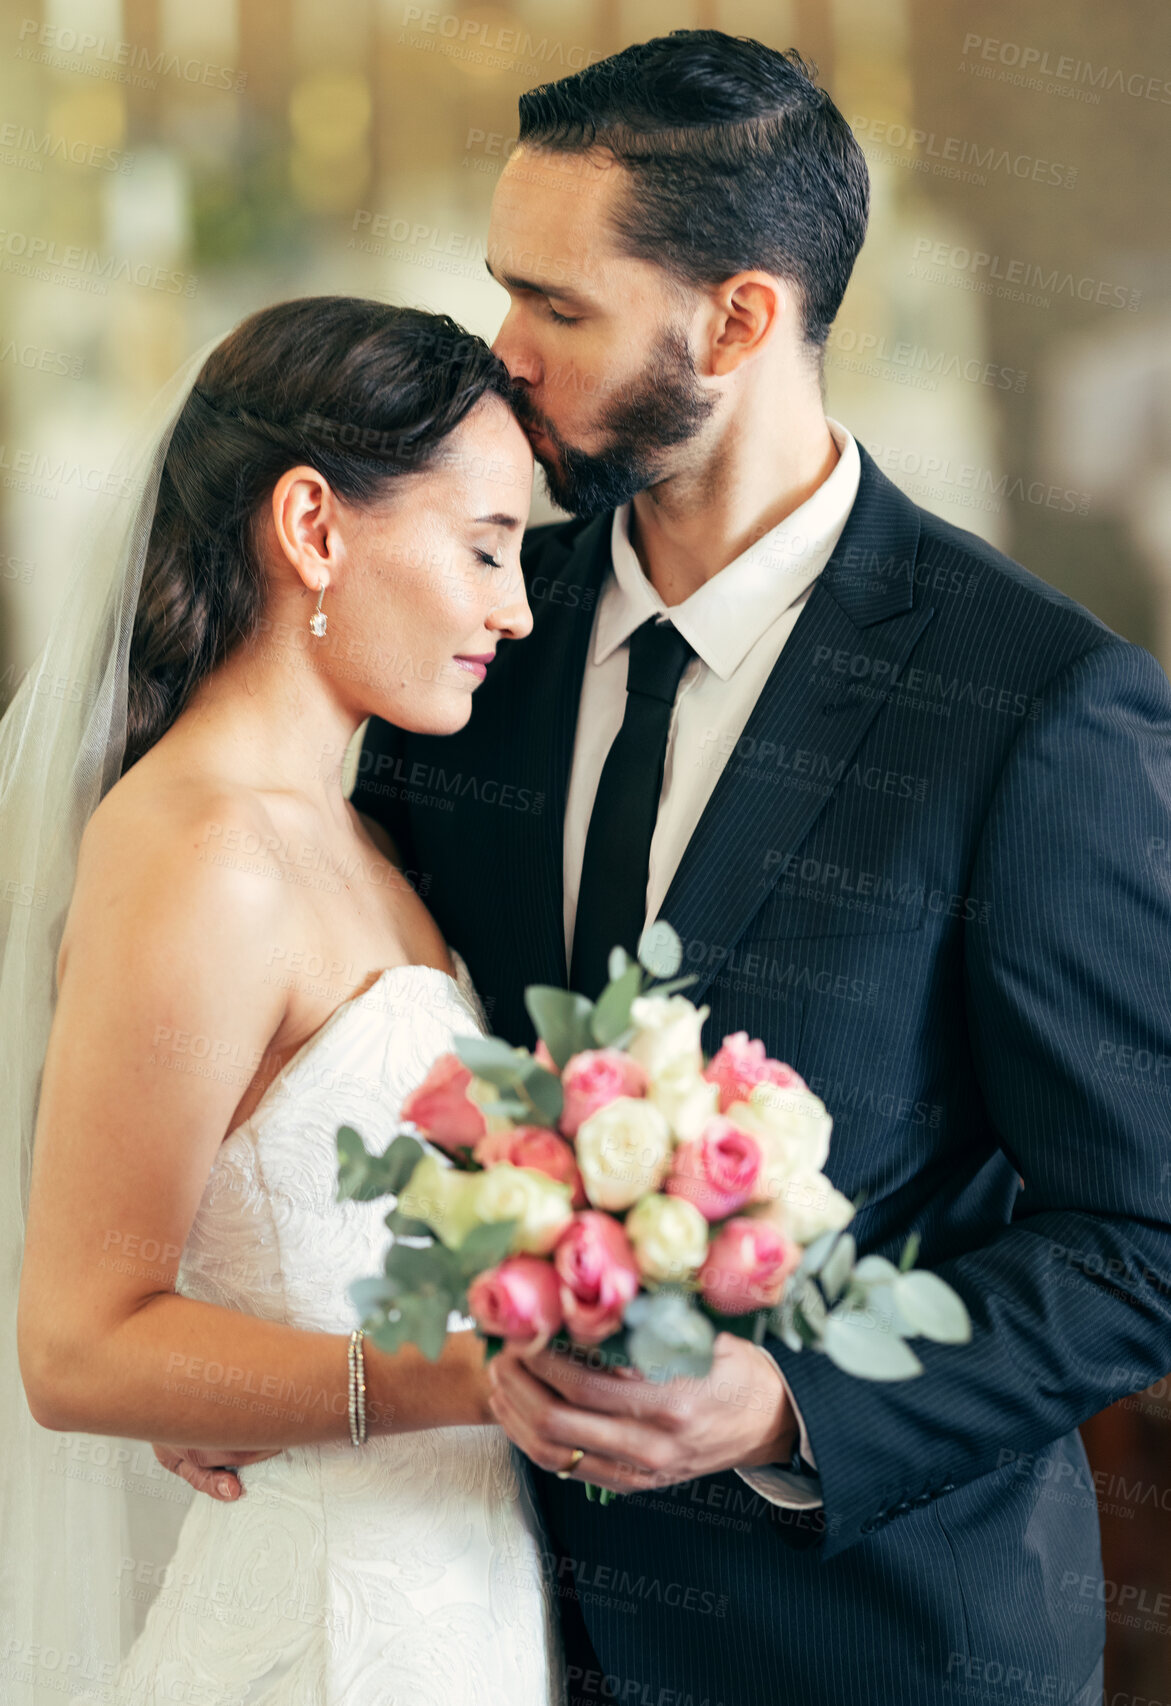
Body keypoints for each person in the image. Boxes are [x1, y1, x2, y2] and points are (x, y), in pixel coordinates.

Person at [328, 32, 1166, 1706]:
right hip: (489, 1620)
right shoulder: (470, 647)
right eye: (505, 293)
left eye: (557, 309)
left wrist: (793, 1408)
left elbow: (1143, 1236)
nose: (502, 358)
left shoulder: (1037, 708)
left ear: (736, 321)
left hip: (880, 1646)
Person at [3, 296, 566, 1704]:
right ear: (314, 527)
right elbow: (79, 1343)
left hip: (456, 1608)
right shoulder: (203, 851)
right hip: (316, 1637)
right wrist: (469, 1375)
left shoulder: (354, 835)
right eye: (487, 547)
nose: (516, 605)